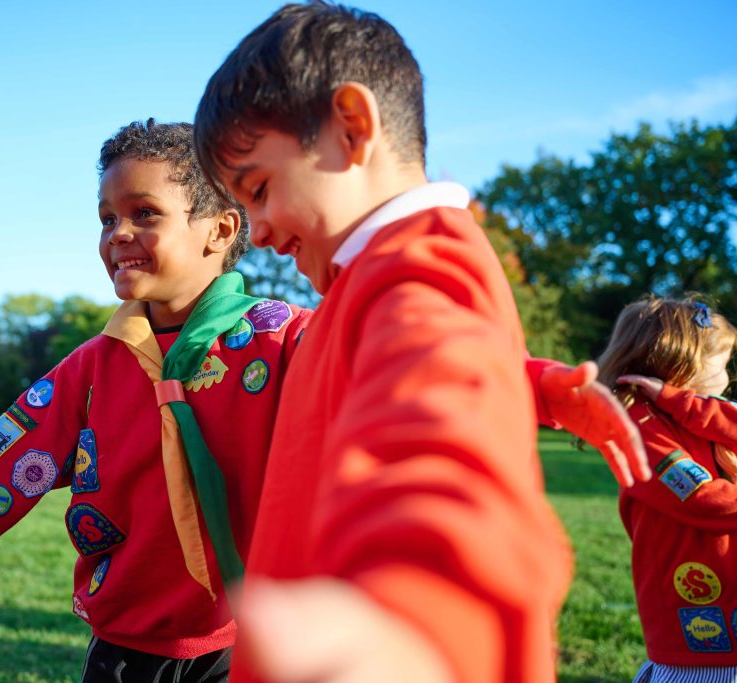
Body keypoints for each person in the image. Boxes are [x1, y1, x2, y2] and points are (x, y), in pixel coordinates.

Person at [191, 2, 644, 681]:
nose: (254, 229)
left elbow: (438, 448)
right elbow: (431, 364)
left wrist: (411, 624)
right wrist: (532, 383)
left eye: (258, 188)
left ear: (351, 126)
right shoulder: (378, 277)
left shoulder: (415, 266)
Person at [0, 120, 312, 683]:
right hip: (125, 652)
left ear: (219, 230)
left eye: (144, 212)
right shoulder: (91, 369)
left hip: (256, 645)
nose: (117, 232)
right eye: (105, 218)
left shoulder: (286, 342)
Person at [595, 296, 737, 682]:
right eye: (723, 366)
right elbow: (700, 499)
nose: (728, 380)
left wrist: (684, 403)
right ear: (683, 362)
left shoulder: (699, 412)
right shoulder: (637, 424)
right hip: (695, 607)